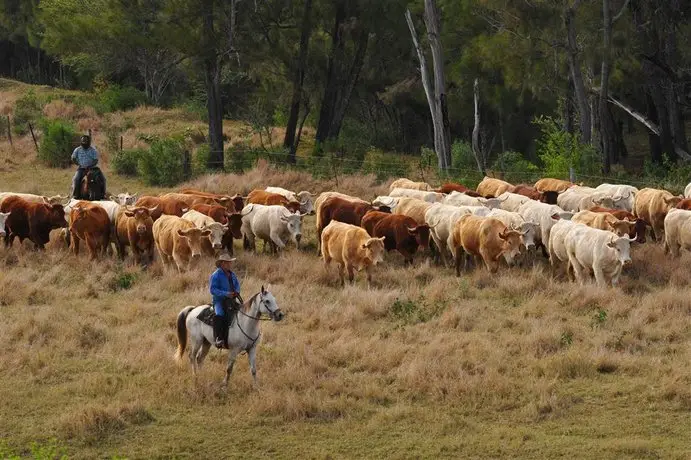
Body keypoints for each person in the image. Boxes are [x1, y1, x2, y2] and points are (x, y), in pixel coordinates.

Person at [209, 253, 241, 349]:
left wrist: (236, 292)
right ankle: (218, 338)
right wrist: (226, 293)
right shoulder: (216, 275)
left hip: (231, 300)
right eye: (227, 263)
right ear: (222, 263)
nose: (230, 264)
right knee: (219, 314)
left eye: (230, 263)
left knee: (242, 312)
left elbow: (237, 285)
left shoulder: (232, 274)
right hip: (219, 301)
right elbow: (212, 290)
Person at [71, 135, 105, 199]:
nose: (84, 143)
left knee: (103, 179)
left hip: (93, 169)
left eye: (86, 142)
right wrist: (78, 163)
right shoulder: (77, 150)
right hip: (81, 169)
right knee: (76, 179)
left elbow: (95, 160)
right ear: (81, 142)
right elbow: (73, 158)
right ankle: (75, 195)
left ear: (89, 142)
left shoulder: (93, 150)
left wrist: (89, 166)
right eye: (83, 142)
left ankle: (103, 194)